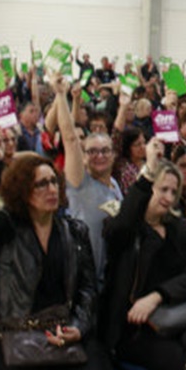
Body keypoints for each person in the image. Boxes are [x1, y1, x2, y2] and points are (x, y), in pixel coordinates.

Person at [0, 137, 113, 370]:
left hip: (63, 329)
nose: (52, 189)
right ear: (23, 191)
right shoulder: (7, 228)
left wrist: (78, 327)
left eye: (54, 181)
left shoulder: (74, 231)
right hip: (15, 332)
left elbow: (87, 288)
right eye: (41, 184)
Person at [101, 139, 186, 370]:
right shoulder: (124, 229)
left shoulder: (181, 229)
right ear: (147, 190)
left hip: (178, 315)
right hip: (136, 328)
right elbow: (123, 223)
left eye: (173, 191)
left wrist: (156, 296)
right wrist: (147, 174)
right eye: (162, 189)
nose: (168, 197)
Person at [53, 74, 123, 288]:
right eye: (92, 151)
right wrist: (60, 95)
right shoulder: (79, 183)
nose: (99, 156)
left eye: (105, 151)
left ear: (113, 155)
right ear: (83, 157)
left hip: (112, 277)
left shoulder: (115, 185)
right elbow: (70, 138)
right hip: (85, 281)